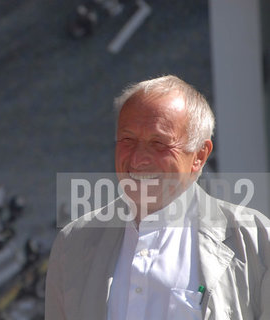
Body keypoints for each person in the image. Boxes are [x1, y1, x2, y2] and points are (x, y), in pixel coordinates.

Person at [45, 75, 270, 319]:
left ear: (199, 156)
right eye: (128, 140)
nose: (138, 159)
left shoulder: (255, 241)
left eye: (158, 143)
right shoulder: (73, 244)